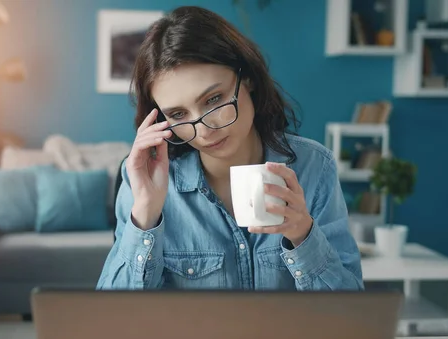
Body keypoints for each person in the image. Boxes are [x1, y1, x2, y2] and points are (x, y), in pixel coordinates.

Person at [97, 6, 363, 291]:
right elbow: (115, 316)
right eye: (178, 115)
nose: (204, 130)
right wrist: (146, 213)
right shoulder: (144, 178)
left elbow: (349, 312)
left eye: (213, 99)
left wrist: (303, 235)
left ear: (246, 78)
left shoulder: (313, 166)